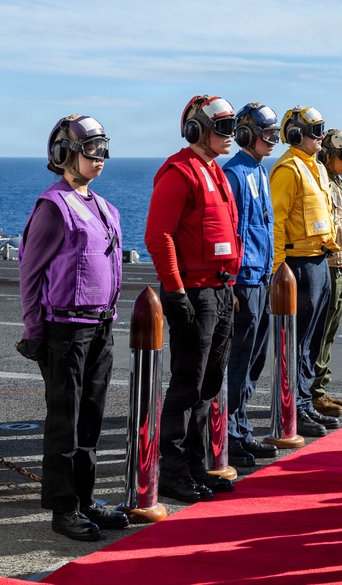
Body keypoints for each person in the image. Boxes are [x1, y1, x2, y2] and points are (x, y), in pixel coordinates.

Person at [14, 115, 129, 542]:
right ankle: (64, 510)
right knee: (65, 423)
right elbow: (29, 272)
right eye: (91, 151)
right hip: (64, 330)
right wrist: (34, 330)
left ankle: (84, 499)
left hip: (100, 327)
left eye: (103, 150)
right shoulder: (53, 207)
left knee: (91, 420)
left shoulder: (104, 207)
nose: (100, 158)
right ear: (65, 154)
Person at [144, 95, 242, 503]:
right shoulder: (179, 173)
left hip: (219, 290)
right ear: (196, 130)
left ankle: (195, 467)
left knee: (208, 386)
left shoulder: (214, 171)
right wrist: (175, 289)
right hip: (194, 292)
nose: (231, 135)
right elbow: (159, 236)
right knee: (187, 385)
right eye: (223, 128)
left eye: (232, 127)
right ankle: (173, 472)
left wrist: (229, 288)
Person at [269, 106, 342, 438]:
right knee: (297, 343)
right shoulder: (288, 169)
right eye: (315, 131)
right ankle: (292, 408)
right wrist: (278, 269)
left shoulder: (316, 167)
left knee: (312, 341)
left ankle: (304, 401)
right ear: (296, 134)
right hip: (297, 264)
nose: (321, 137)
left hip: (319, 261)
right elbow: (277, 221)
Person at [222, 102, 281, 468]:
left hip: (260, 277)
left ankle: (241, 429)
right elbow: (231, 230)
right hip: (244, 280)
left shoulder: (258, 170)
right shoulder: (234, 174)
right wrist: (231, 282)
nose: (273, 141)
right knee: (238, 361)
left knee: (254, 361)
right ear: (246, 134)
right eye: (268, 135)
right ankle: (229, 435)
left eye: (275, 134)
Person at [311, 130, 342, 417]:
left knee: (328, 333)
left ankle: (319, 388)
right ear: (329, 155)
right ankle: (313, 393)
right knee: (320, 332)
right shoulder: (324, 184)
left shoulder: (339, 184)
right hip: (330, 266)